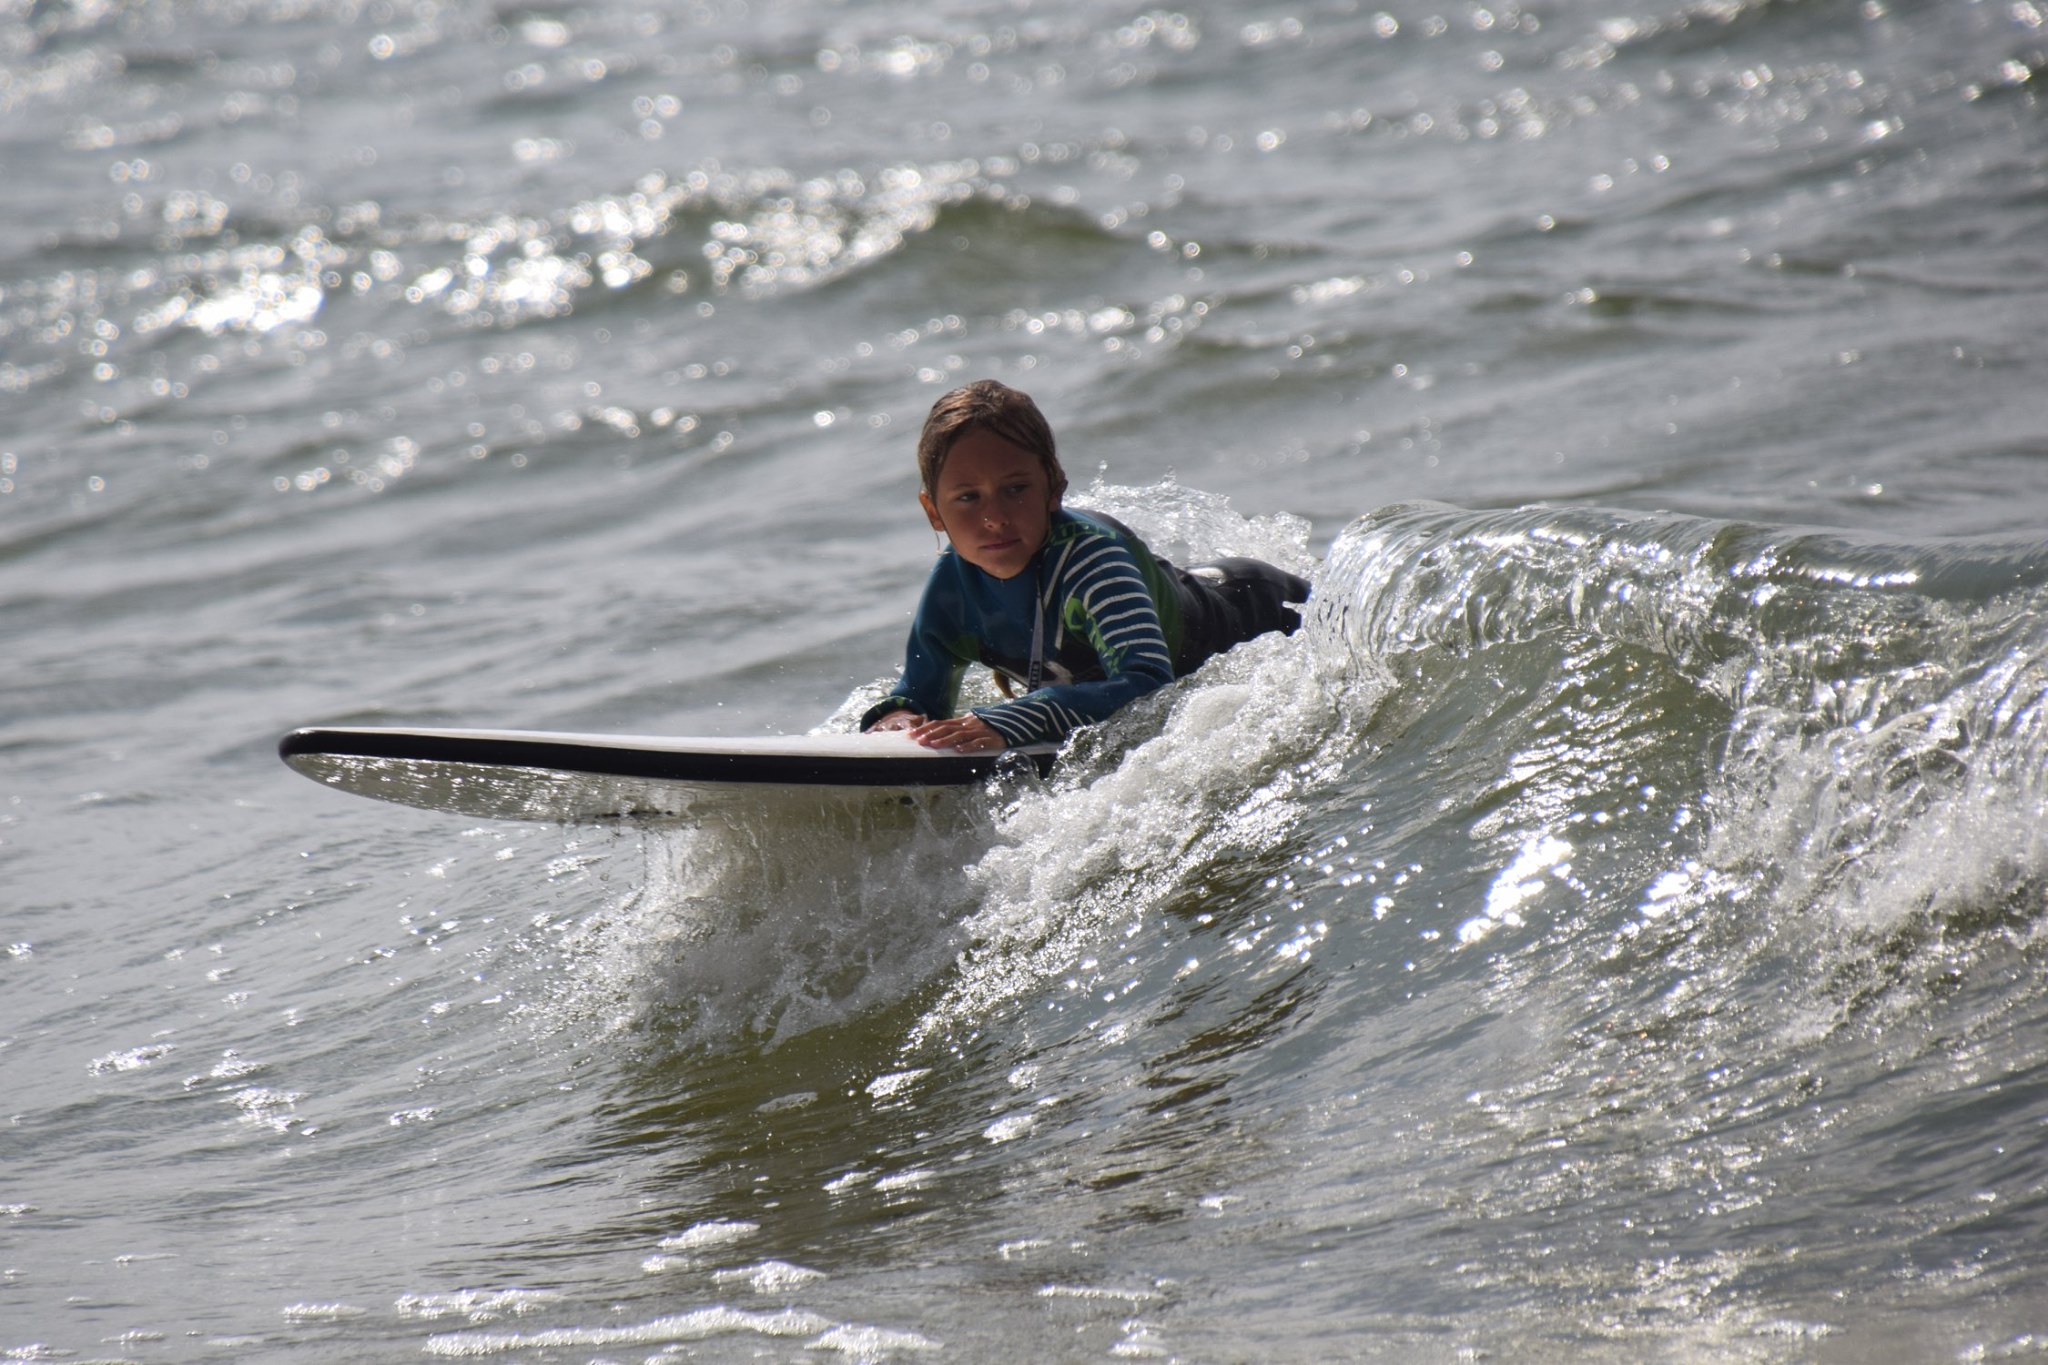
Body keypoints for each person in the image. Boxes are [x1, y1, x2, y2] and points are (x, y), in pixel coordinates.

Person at [861, 379, 1311, 752]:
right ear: (933, 512)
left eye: (1015, 489)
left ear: (1053, 488)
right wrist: (898, 720)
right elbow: (922, 691)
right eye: (967, 497)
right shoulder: (953, 589)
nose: (994, 516)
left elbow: (1147, 681)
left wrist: (1012, 720)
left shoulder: (1092, 562)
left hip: (1267, 612)